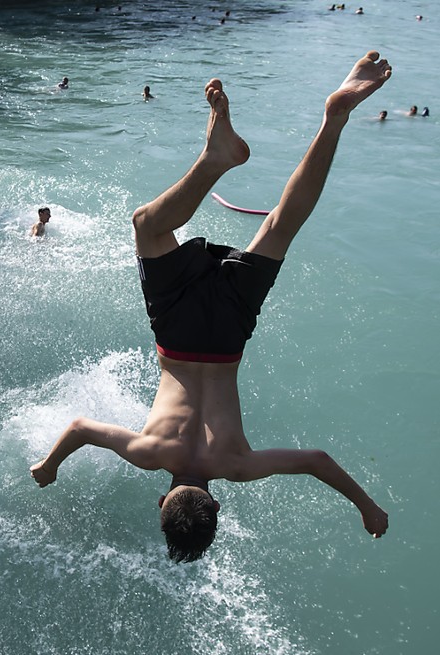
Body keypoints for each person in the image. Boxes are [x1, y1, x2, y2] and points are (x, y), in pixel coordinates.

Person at [30, 51, 392, 562]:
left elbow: (317, 460)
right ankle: (214, 159)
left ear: (216, 504)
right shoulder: (147, 452)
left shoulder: (236, 464)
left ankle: (335, 119)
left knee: (281, 226)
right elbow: (80, 429)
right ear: (162, 500)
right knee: (147, 227)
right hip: (175, 335)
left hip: (227, 338)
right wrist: (50, 465)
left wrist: (368, 507)